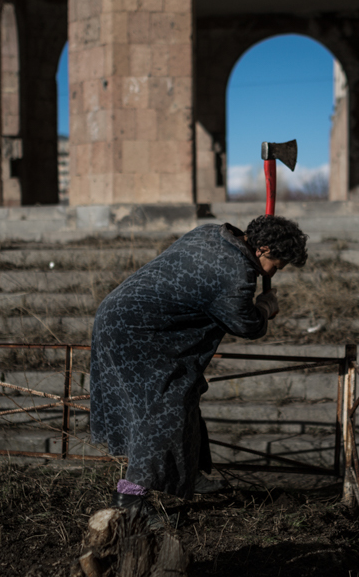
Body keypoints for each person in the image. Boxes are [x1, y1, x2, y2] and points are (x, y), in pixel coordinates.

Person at [88, 214, 308, 515]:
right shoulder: (236, 273)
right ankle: (129, 500)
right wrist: (266, 307)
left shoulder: (213, 233)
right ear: (264, 249)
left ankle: (189, 475)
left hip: (121, 316)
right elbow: (246, 325)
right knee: (161, 415)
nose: (276, 272)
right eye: (277, 266)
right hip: (135, 335)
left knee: (184, 397)